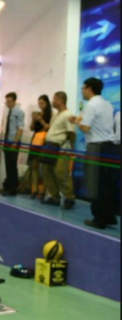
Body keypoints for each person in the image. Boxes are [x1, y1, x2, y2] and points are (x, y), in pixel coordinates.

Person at [70, 78, 118, 229]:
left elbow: (85, 128)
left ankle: (98, 219)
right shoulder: (107, 104)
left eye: (83, 88)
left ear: (89, 89)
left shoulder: (91, 105)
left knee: (95, 184)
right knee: (107, 185)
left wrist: (77, 121)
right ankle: (109, 216)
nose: (82, 91)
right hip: (109, 147)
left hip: (96, 148)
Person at [41, 92, 76, 209]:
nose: (52, 101)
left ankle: (69, 197)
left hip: (61, 147)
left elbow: (71, 133)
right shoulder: (56, 115)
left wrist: (71, 147)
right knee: (47, 171)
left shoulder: (67, 115)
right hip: (49, 146)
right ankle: (55, 196)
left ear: (60, 101)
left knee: (61, 172)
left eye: (54, 99)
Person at [28, 95, 52, 199]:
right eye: (39, 103)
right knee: (34, 166)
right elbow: (31, 128)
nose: (41, 105)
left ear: (47, 103)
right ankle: (34, 189)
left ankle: (44, 190)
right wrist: (34, 119)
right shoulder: (38, 113)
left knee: (45, 167)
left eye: (42, 103)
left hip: (45, 140)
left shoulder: (50, 114)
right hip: (35, 140)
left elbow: (48, 127)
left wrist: (41, 120)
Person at [1, 92, 25, 196]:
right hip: (7, 141)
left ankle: (12, 189)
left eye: (9, 101)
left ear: (14, 101)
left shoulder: (19, 112)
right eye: (7, 101)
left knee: (12, 165)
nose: (8, 103)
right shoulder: (8, 111)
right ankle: (8, 186)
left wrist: (15, 142)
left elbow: (20, 128)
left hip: (13, 141)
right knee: (8, 165)